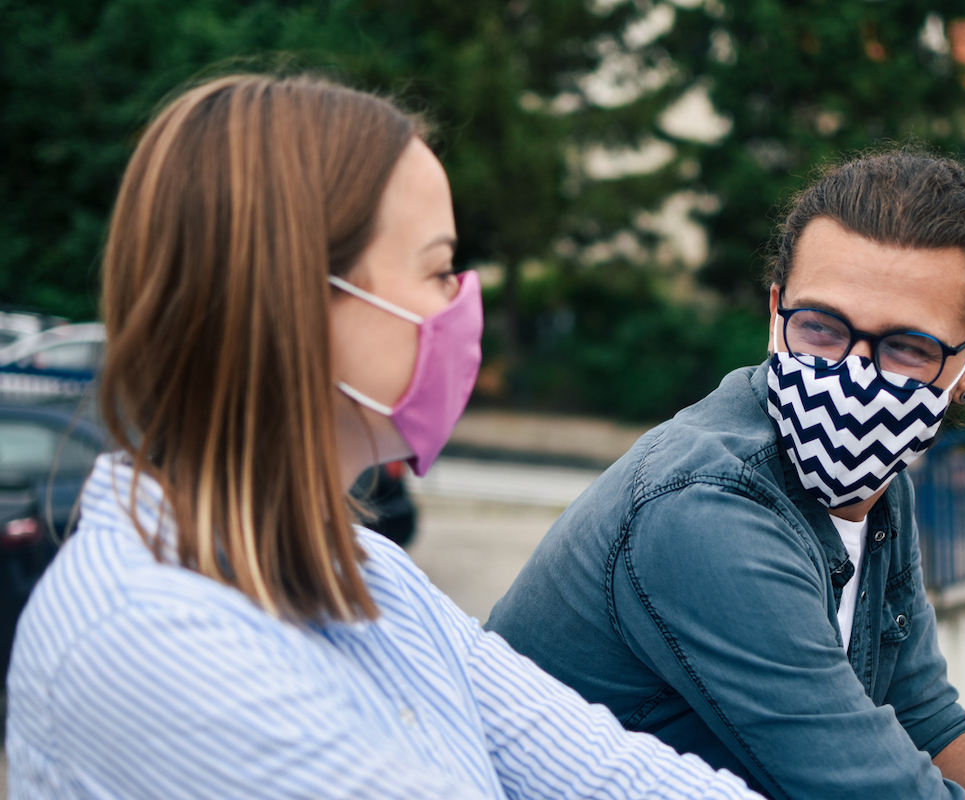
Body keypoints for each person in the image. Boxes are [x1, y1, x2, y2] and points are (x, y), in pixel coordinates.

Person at [4, 73, 766, 800]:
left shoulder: (366, 573)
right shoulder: (149, 638)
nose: (462, 302)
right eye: (439, 270)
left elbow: (607, 774)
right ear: (296, 301)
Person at [485, 151, 965, 800]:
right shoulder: (705, 509)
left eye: (906, 347)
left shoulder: (883, 490)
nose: (851, 379)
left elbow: (931, 738)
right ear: (774, 314)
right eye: (821, 328)